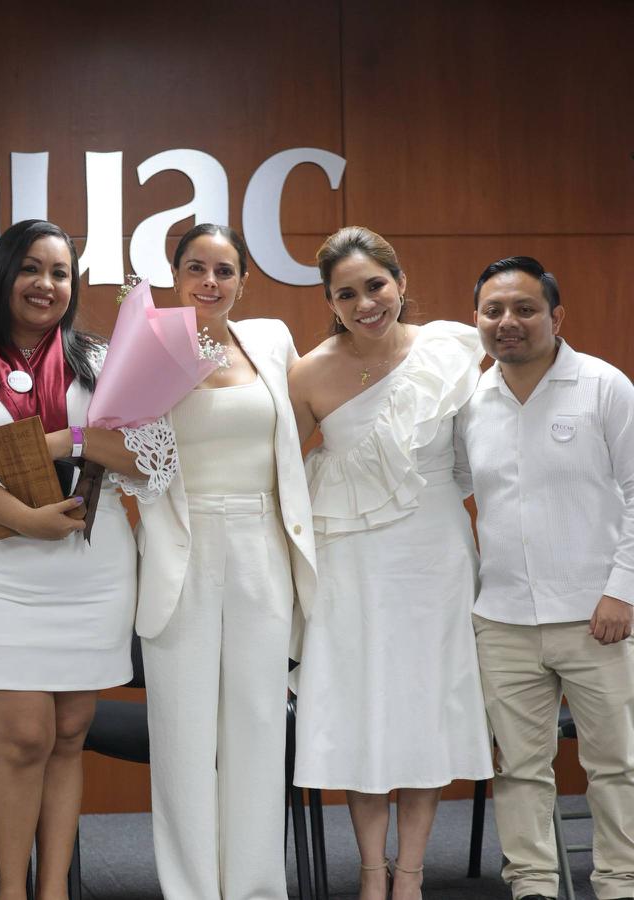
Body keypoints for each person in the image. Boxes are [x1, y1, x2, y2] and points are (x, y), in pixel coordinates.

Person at [0, 219, 166, 900]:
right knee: (24, 736)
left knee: (69, 732)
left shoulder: (102, 358)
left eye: (59, 272)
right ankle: (11, 890)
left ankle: (53, 888)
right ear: (3, 275)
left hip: (92, 569)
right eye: (30, 268)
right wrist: (26, 519)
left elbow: (151, 455)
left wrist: (70, 437)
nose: (45, 284)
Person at [289, 226, 493, 900]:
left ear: (400, 283)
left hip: (435, 555)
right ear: (330, 302)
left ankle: (411, 874)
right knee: (363, 710)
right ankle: (371, 874)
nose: (365, 303)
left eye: (375, 285)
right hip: (350, 562)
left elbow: (474, 460)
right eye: (346, 294)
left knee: (422, 708)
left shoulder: (450, 348)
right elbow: (278, 473)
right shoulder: (308, 372)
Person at [132, 223, 316, 899]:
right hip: (183, 543)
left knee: (258, 725)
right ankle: (190, 890)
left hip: (262, 542)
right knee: (182, 734)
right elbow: (123, 451)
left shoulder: (269, 339)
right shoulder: (145, 345)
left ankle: (256, 888)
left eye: (225, 270)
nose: (210, 282)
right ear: (174, 274)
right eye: (196, 268)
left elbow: (302, 424)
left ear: (243, 280)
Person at [455, 257, 634, 900]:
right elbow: (448, 488)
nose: (508, 322)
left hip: (597, 616)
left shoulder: (603, 386)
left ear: (556, 317)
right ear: (478, 319)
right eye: (493, 310)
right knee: (520, 769)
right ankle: (532, 883)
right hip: (502, 618)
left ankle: (620, 882)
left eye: (525, 309)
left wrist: (622, 591)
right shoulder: (471, 401)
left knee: (615, 765)